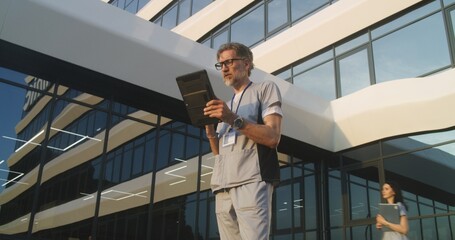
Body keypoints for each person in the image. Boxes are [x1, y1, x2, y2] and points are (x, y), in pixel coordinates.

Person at [203, 42, 283, 240]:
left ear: (246, 64)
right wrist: (211, 132)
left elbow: (273, 137)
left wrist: (232, 118)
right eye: (221, 65)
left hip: (251, 178)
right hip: (223, 184)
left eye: (229, 62)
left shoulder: (265, 89)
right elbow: (219, 154)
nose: (224, 68)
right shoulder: (225, 105)